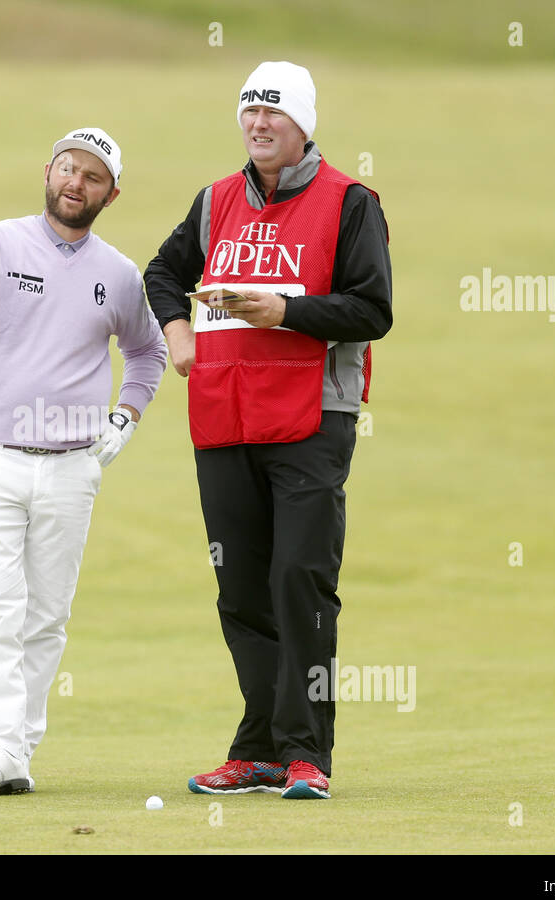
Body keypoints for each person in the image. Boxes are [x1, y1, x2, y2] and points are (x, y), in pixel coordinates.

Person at [144, 61, 392, 800]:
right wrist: (178, 334)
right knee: (242, 589)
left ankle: (307, 753)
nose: (258, 125)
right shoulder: (215, 201)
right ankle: (257, 749)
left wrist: (282, 311)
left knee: (300, 580)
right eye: (249, 113)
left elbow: (372, 310)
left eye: (272, 115)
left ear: (303, 125)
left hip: (313, 417)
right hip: (224, 417)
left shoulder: (349, 202)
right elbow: (161, 272)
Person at [0, 128, 166, 796]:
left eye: (90, 177)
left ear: (110, 193)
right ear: (48, 171)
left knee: (46, 616)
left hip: (69, 466)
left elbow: (148, 352)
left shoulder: (116, 273)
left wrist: (126, 416)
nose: (74, 184)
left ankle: (17, 748)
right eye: (66, 169)